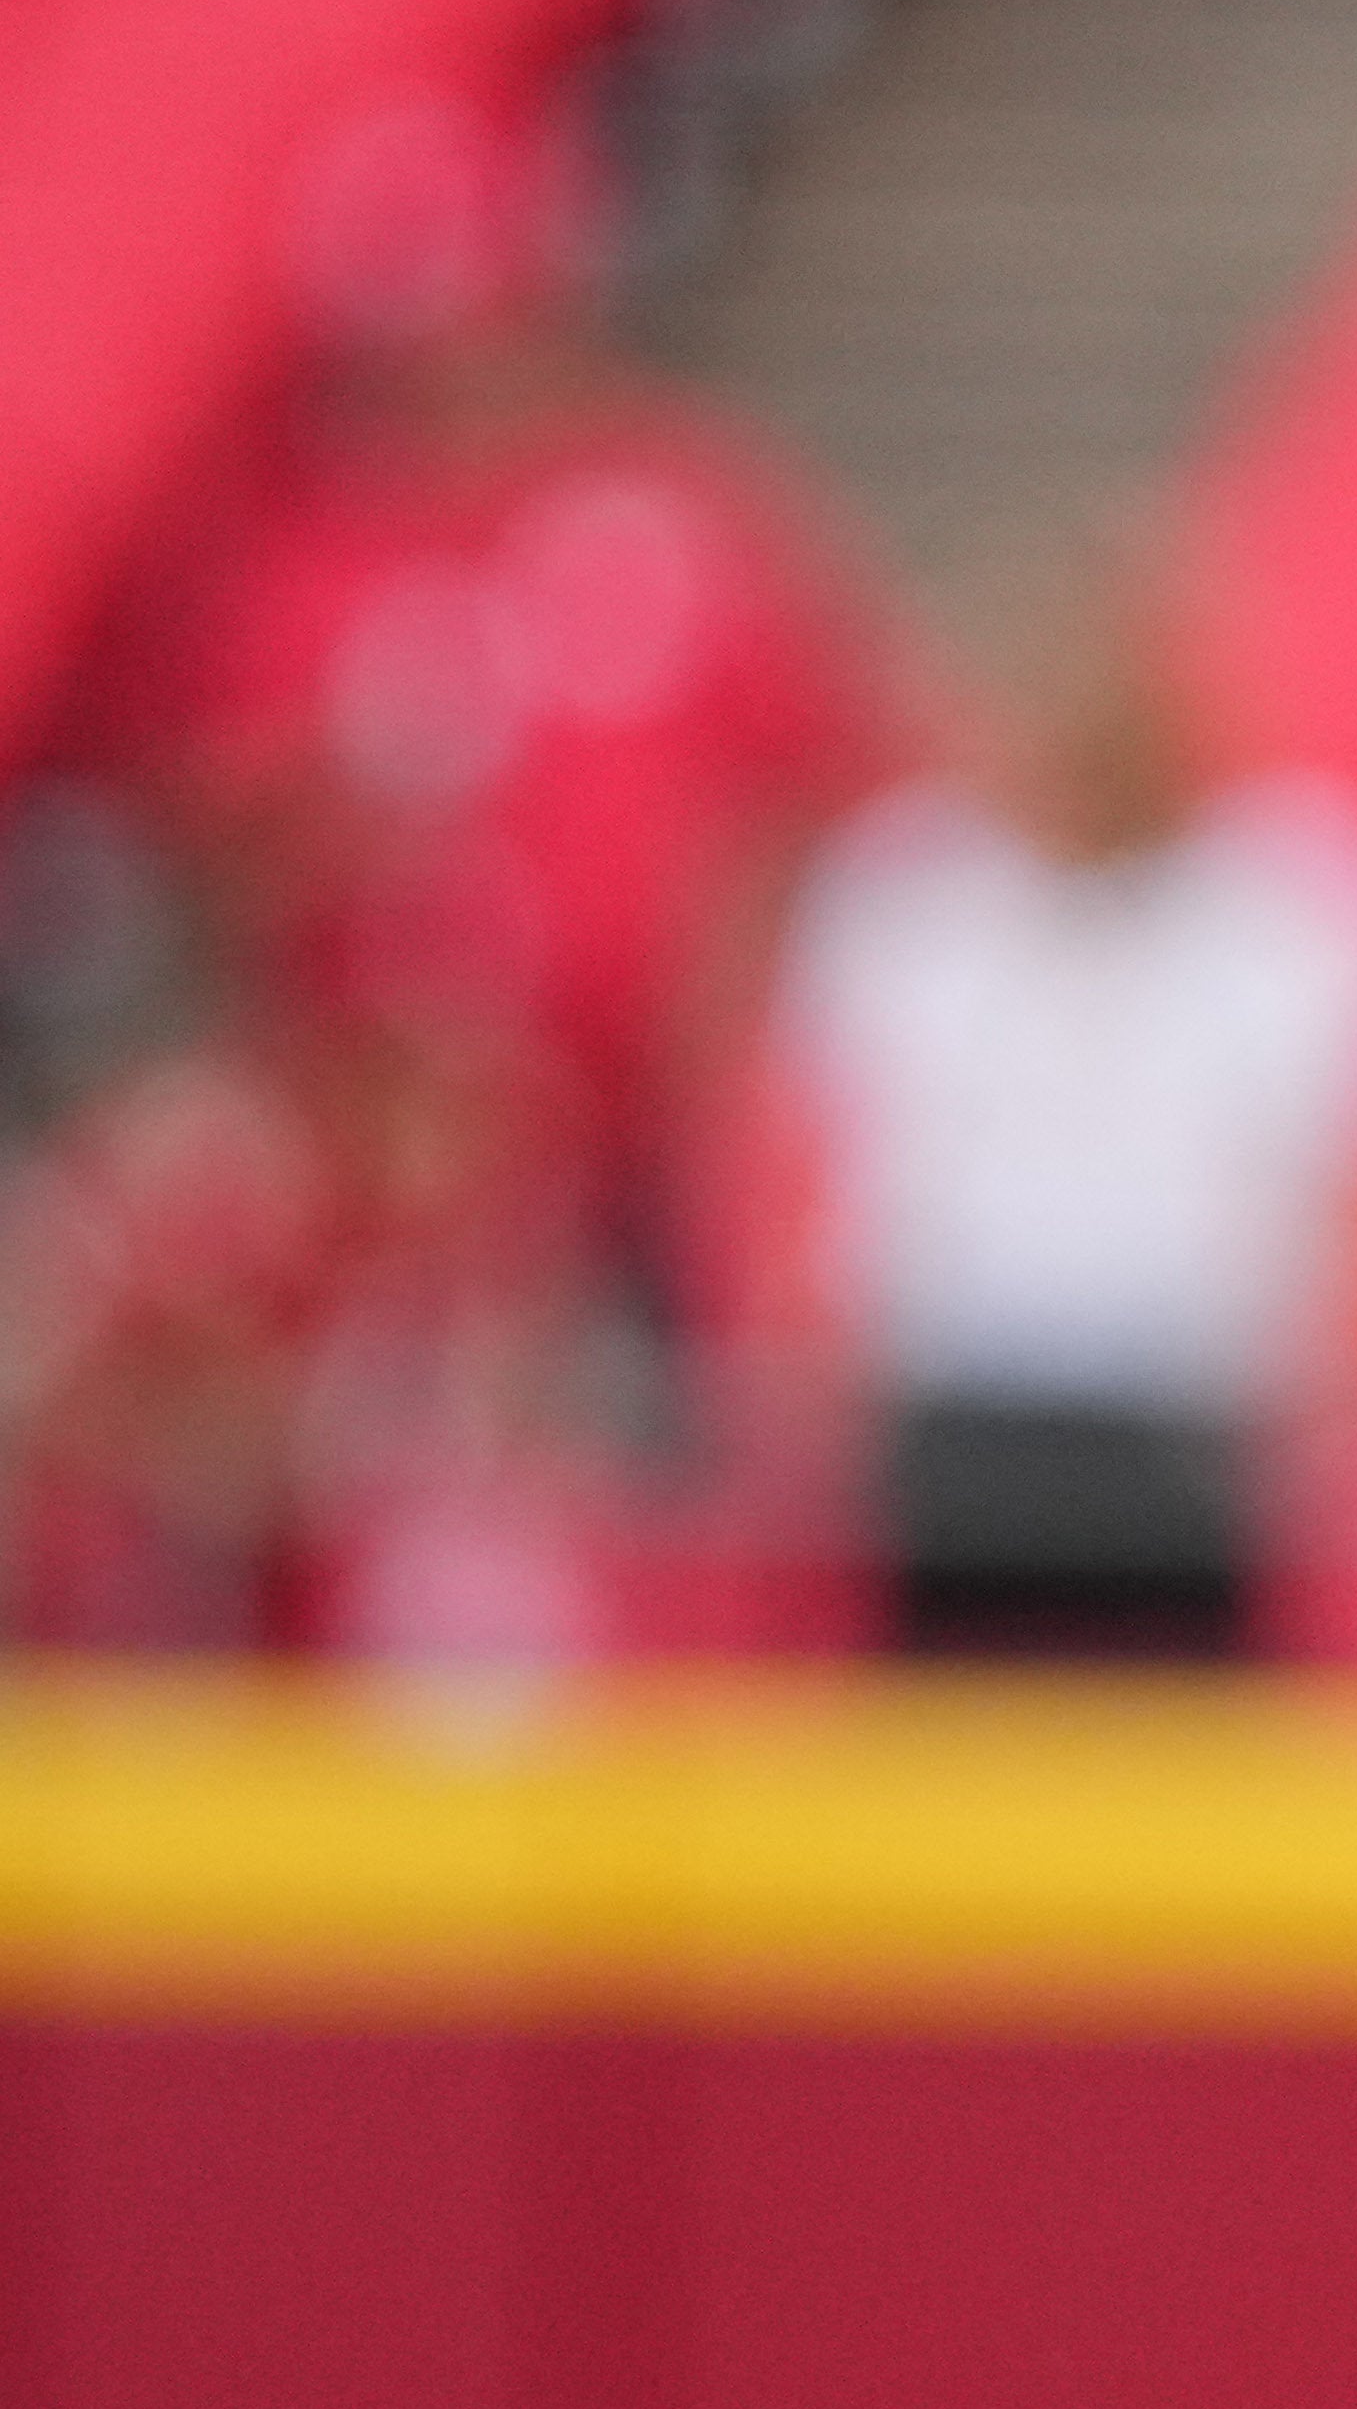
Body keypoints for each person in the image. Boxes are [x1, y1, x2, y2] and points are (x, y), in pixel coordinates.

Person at [79, 86, 894, 1643]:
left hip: (632, 1170)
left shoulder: (676, 515)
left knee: (665, 1525)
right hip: (382, 1175)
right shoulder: (302, 566)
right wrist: (337, 816)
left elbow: (829, 790)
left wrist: (707, 1039)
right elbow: (211, 866)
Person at [763, 542, 1357, 1658]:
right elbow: (802, 1183)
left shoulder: (1299, 893)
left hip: (1205, 1449)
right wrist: (830, 1409)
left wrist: (1315, 1424)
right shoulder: (900, 889)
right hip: (948, 1440)